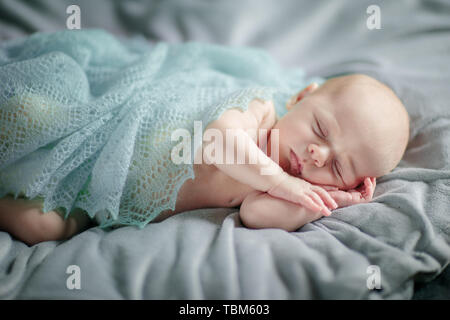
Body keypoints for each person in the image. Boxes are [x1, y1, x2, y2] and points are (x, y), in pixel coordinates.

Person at [0, 31, 409, 245]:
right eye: (320, 130)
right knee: (32, 115)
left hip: (104, 198)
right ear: (302, 98)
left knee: (43, 228)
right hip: (111, 140)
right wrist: (280, 180)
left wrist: (322, 202)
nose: (318, 155)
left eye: (337, 166)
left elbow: (257, 216)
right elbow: (218, 142)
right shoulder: (261, 111)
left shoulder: (289, 189)